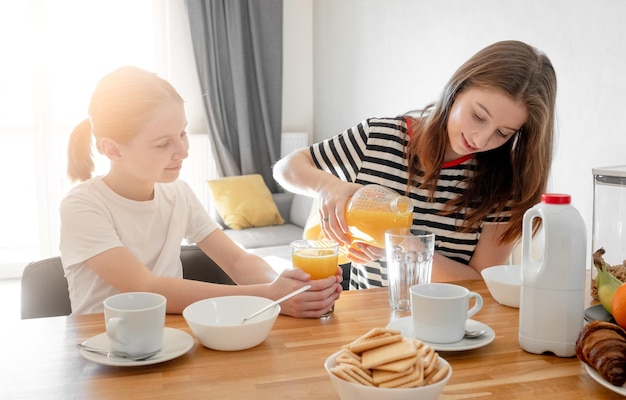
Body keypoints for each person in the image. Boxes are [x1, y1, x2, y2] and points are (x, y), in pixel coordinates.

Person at [273, 40, 557, 289]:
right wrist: (327, 186)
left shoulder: (503, 185)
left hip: (453, 330)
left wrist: (399, 245)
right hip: (367, 325)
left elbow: (479, 282)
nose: (480, 139)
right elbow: (287, 167)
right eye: (479, 116)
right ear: (458, 89)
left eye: (502, 133)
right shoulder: (379, 138)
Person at [60, 66, 342, 316]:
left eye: (182, 133)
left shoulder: (178, 194)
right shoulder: (83, 205)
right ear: (112, 149)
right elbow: (144, 288)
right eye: (162, 144)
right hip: (102, 347)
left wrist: (287, 286)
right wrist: (270, 295)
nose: (183, 151)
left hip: (168, 341)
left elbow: (237, 260)